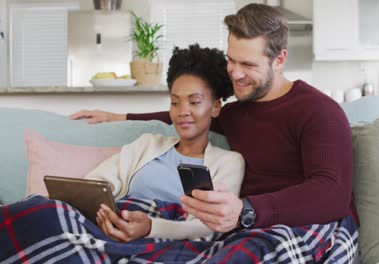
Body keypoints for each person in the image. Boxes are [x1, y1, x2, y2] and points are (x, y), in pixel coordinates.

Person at [70, 3, 357, 234]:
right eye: (231, 60)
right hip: (250, 226)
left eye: (248, 64)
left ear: (279, 60)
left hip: (316, 228)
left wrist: (246, 210)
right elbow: (189, 113)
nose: (235, 73)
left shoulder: (320, 112)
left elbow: (331, 193)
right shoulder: (239, 113)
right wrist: (119, 116)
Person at [84, 44, 245, 242]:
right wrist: (108, 216)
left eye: (194, 102)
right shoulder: (147, 144)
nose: (182, 111)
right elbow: (95, 184)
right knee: (40, 207)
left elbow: (209, 227)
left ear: (215, 107)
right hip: (115, 224)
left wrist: (151, 228)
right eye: (175, 102)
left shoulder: (229, 161)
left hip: (168, 241)